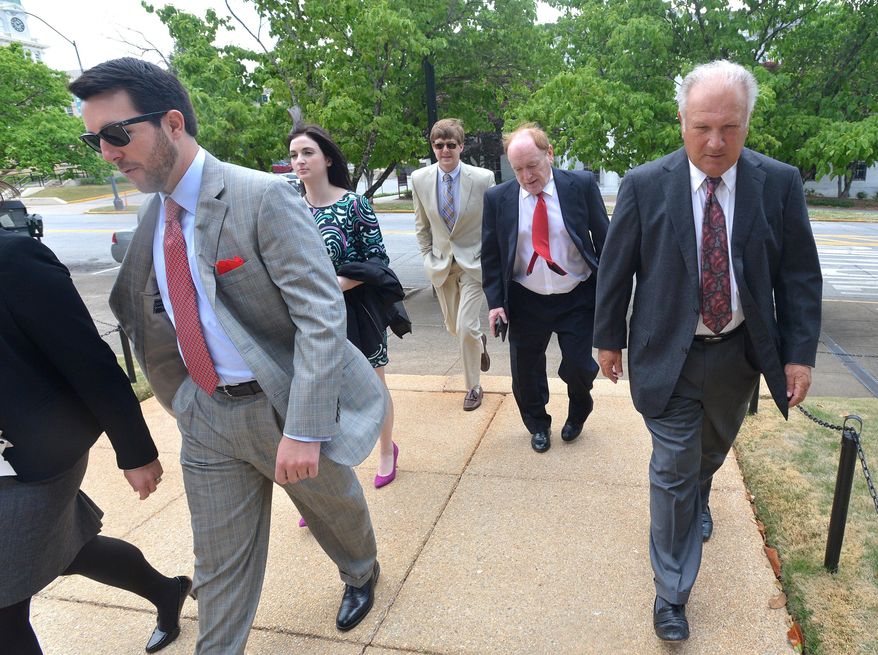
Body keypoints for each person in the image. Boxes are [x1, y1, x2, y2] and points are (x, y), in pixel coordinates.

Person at [69, 58, 387, 654]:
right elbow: (146, 312)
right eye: (95, 140)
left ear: (171, 123)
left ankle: (361, 571)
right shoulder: (153, 216)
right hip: (207, 415)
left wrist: (306, 426)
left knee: (335, 512)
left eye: (117, 134)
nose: (107, 153)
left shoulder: (262, 197)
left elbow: (321, 317)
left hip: (284, 407)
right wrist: (185, 400)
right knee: (218, 568)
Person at [593, 60, 822, 642]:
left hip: (739, 355)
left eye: (730, 127)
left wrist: (799, 354)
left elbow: (798, 275)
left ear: (747, 123)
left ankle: (701, 491)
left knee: (708, 454)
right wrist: (606, 339)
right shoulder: (645, 185)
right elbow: (615, 271)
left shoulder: (780, 182)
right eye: (702, 127)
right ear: (681, 121)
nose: (716, 142)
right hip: (666, 354)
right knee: (672, 469)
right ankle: (671, 593)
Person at [0, 229, 190, 654]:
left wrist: (136, 450)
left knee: (4, 608)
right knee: (69, 552)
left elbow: (86, 356)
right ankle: (166, 592)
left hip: (34, 453)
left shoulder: (13, 257)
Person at [481, 123, 609, 453]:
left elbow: (604, 238)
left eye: (533, 165)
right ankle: (538, 424)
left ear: (549, 154)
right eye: (518, 168)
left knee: (580, 367)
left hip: (576, 295)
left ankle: (579, 412)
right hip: (525, 300)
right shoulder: (498, 198)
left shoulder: (580, 185)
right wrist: (496, 302)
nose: (526, 176)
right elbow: (492, 254)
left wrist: (612, 290)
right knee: (525, 373)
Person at [288, 124, 399, 490]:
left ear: (327, 158)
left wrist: (334, 286)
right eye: (294, 155)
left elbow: (378, 260)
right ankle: (328, 486)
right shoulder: (286, 204)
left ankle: (386, 451)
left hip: (355, 311)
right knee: (318, 394)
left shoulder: (353, 204)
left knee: (372, 386)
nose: (299, 161)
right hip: (304, 314)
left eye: (307, 152)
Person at [412, 118, 495, 411]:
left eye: (450, 145)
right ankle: (478, 341)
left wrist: (490, 257)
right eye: (439, 145)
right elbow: (421, 225)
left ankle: (473, 387)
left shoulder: (483, 178)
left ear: (460, 146)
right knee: (455, 327)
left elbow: (492, 224)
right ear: (433, 147)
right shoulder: (419, 179)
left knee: (464, 326)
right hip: (442, 265)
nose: (445, 150)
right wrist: (426, 257)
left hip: (474, 264)